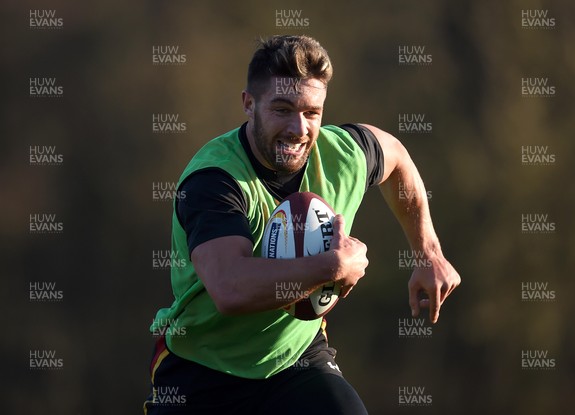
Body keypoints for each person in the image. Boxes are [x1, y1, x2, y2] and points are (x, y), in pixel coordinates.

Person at [144, 35, 460, 414]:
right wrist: (333, 267)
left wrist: (428, 252)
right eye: (282, 109)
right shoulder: (214, 181)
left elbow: (396, 158)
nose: (299, 128)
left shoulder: (342, 154)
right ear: (249, 103)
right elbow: (231, 289)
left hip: (295, 360)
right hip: (203, 372)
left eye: (312, 112)